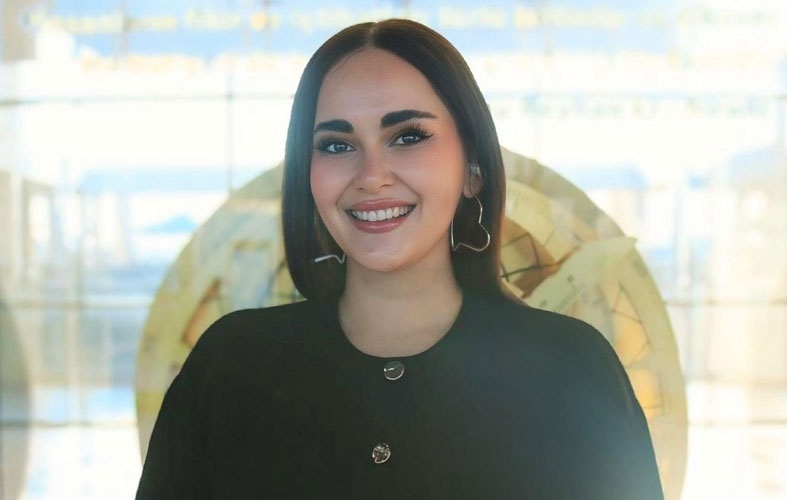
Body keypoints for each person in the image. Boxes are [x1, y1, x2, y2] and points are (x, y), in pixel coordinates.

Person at [136, 19, 664, 499]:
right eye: (337, 145)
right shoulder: (230, 366)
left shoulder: (571, 368)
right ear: (307, 175)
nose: (372, 176)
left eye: (407, 137)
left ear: (474, 169)